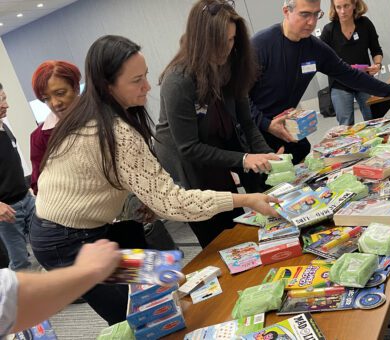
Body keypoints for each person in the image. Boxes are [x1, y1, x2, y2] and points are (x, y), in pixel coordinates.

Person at [31, 35, 279, 325]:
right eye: (136, 80)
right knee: (140, 313)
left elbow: (91, 185)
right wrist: (246, 199)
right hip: (64, 241)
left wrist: (135, 203)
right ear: (108, 85)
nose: (147, 86)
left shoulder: (96, 115)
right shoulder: (112, 132)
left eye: (145, 75)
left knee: (165, 279)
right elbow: (173, 203)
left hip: (87, 228)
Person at [155, 0, 279, 247]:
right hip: (188, 165)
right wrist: (244, 159)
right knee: (216, 232)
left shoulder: (232, 65)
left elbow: (246, 122)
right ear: (200, 39)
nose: (226, 49)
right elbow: (189, 147)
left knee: (236, 217)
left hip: (216, 146)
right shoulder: (178, 80)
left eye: (232, 40)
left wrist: (266, 154)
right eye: (219, 41)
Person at [249, 0, 390, 165]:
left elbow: (351, 75)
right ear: (286, 11)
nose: (311, 22)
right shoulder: (261, 45)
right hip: (253, 131)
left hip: (286, 130)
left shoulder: (314, 48)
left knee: (301, 161)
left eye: (316, 14)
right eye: (305, 14)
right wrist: (266, 124)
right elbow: (235, 97)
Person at [0, 239, 121, 337]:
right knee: (123, 313)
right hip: (66, 239)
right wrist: (89, 270)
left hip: (93, 236)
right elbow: (12, 300)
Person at [321, 0, 383, 126]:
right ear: (334, 8)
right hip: (339, 84)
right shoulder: (329, 30)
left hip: (364, 79)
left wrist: (377, 65)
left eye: (346, 6)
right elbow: (322, 59)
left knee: (373, 120)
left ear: (354, 5)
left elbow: (376, 49)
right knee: (346, 125)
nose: (342, 11)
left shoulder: (365, 24)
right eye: (338, 7)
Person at [30, 60, 81, 194]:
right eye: (46, 98)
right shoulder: (39, 137)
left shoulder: (104, 115)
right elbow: (38, 186)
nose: (55, 103)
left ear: (76, 88)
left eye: (60, 93)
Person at [0, 83, 35, 271]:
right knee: (20, 261)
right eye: (1, 100)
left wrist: (26, 188)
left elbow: (11, 165)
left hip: (27, 199)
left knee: (46, 245)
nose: (6, 104)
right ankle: (22, 299)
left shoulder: (4, 127)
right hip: (7, 211)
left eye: (4, 98)